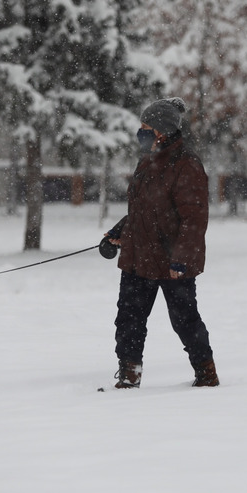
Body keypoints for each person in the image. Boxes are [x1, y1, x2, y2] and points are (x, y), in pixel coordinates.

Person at [101, 97, 219, 388]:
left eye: (146, 127)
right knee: (128, 319)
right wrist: (118, 232)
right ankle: (129, 374)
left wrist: (181, 258)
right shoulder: (146, 161)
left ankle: (206, 372)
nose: (140, 133)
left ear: (162, 131)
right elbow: (143, 208)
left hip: (172, 261)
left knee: (185, 320)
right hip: (139, 255)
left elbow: (194, 219)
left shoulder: (186, 165)